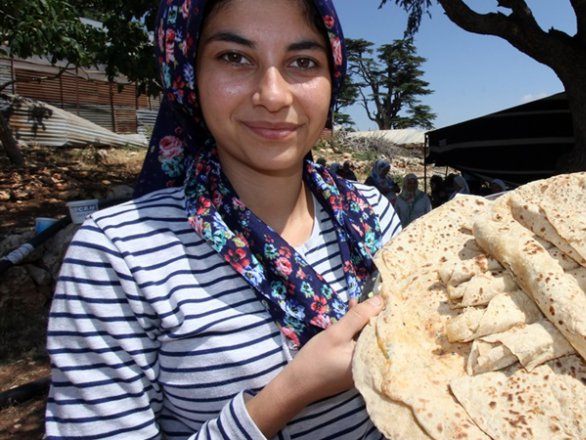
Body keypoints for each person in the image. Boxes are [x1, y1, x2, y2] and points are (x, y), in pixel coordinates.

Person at [44, 1, 401, 438]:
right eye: (235, 57)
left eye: (303, 62)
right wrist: (289, 393)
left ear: (333, 81)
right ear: (189, 75)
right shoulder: (117, 256)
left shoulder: (373, 214)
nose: (273, 94)